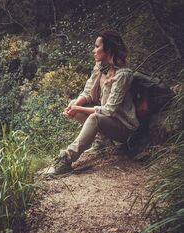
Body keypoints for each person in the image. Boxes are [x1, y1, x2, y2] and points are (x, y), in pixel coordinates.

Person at [45, 29, 140, 175]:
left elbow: (109, 110)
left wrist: (79, 108)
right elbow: (88, 92)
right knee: (75, 105)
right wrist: (74, 105)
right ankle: (102, 142)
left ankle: (66, 160)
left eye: (97, 46)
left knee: (94, 117)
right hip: (109, 121)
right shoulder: (100, 68)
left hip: (124, 127)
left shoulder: (123, 75)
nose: (93, 50)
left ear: (108, 49)